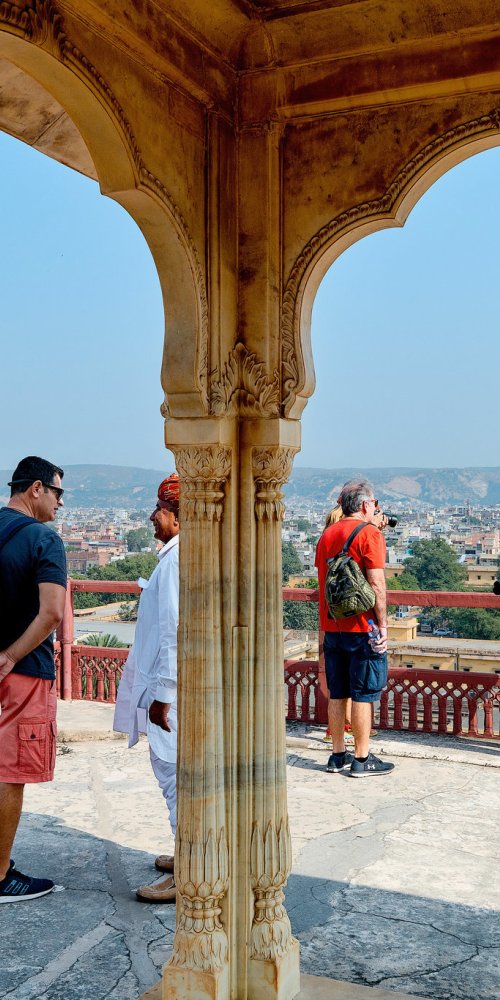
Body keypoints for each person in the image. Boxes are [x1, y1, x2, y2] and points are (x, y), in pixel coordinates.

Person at [0, 456, 67, 902]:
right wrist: (10, 655)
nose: (60, 503)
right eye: (58, 493)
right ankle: (0, 875)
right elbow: (52, 613)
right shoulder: (44, 539)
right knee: (9, 771)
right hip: (21, 671)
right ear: (37, 488)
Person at [113, 473, 180, 902]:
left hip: (170, 691)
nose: (153, 516)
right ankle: (188, 849)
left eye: (159, 509)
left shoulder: (175, 561)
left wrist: (164, 695)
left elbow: (173, 631)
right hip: (168, 685)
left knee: (173, 772)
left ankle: (191, 869)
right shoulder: (173, 557)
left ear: (178, 516)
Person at [315, 479, 394, 777]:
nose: (375, 508)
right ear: (364, 505)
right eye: (374, 503)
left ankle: (337, 755)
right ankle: (362, 759)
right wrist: (382, 625)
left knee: (338, 692)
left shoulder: (326, 535)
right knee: (363, 693)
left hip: (332, 625)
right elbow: (377, 583)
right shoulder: (370, 534)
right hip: (364, 627)